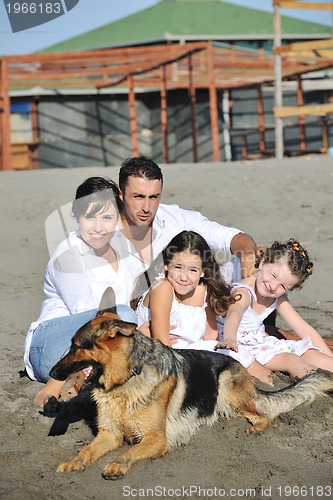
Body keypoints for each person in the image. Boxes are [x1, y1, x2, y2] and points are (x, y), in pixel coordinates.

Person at [24, 177, 137, 408]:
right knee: (123, 315)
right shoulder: (68, 256)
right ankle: (57, 384)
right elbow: (90, 320)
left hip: (93, 347)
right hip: (51, 348)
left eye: (107, 217)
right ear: (77, 217)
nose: (98, 227)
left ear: (118, 217)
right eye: (89, 217)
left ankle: (84, 378)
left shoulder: (123, 249)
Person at [113, 156, 258, 305]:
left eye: (154, 197)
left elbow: (234, 238)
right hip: (132, 315)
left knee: (262, 261)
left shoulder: (174, 218)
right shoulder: (102, 231)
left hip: (187, 306)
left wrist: (249, 257)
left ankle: (258, 326)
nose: (147, 207)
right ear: (121, 194)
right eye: (138, 197)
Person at [214, 239, 333, 382]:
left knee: (310, 352)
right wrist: (230, 338)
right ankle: (323, 384)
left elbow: (303, 328)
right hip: (240, 347)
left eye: (283, 286)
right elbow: (235, 312)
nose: (274, 286)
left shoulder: (277, 296)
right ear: (263, 263)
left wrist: (328, 356)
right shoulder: (244, 291)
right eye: (274, 276)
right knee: (291, 360)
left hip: (262, 344)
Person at [136, 230, 236, 349]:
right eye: (178, 267)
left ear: (203, 271)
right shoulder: (162, 288)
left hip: (193, 355)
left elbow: (210, 337)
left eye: (193, 270)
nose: (183, 277)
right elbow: (162, 344)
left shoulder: (204, 291)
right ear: (166, 265)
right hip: (162, 356)